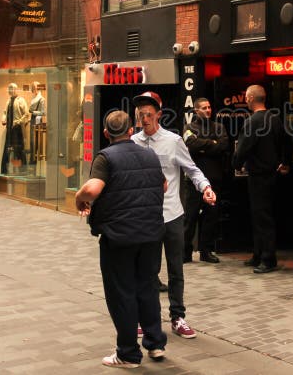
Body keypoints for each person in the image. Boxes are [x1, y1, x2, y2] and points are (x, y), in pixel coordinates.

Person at [75, 109, 168, 368]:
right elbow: (163, 186)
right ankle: (156, 343)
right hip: (150, 234)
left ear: (106, 133)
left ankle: (128, 353)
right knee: (147, 287)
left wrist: (78, 199)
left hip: (120, 237)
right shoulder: (149, 154)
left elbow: (93, 189)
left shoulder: (106, 157)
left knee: (122, 293)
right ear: (131, 130)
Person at [131, 91, 216, 339]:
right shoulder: (133, 142)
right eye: (140, 114)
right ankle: (144, 318)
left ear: (158, 115)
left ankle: (178, 317)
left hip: (172, 215)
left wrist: (206, 188)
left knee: (175, 269)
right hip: (146, 217)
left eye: (148, 114)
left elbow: (192, 169)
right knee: (147, 270)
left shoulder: (173, 141)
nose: (144, 118)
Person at [232, 85, 291, 274]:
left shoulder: (252, 122)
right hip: (272, 174)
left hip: (258, 175)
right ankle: (258, 254)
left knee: (261, 217)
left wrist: (236, 163)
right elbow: (287, 142)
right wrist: (285, 163)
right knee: (264, 215)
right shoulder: (274, 119)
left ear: (249, 98)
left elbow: (243, 148)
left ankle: (268, 258)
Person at [183, 97, 228, 264]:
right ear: (196, 111)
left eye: (209, 107)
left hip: (214, 179)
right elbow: (191, 144)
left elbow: (223, 146)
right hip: (193, 181)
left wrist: (203, 146)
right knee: (190, 216)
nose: (208, 110)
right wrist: (211, 144)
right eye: (204, 108)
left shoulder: (219, 127)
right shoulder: (189, 127)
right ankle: (185, 251)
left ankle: (206, 251)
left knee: (211, 217)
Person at [0, 83, 29, 173]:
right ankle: (4, 171)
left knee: (18, 150)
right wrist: (3, 119)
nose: (10, 90)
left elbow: (26, 114)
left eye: (11, 88)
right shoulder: (8, 101)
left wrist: (18, 122)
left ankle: (22, 171)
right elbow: (5, 112)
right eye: (9, 89)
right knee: (7, 150)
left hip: (17, 129)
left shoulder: (21, 100)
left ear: (16, 89)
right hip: (9, 129)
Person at [29, 82, 46, 165]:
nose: (33, 89)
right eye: (32, 87)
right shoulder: (34, 98)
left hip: (37, 120)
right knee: (32, 142)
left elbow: (43, 112)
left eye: (34, 87)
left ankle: (34, 162)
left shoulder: (41, 99)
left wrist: (33, 112)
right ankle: (32, 162)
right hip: (33, 120)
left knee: (35, 142)